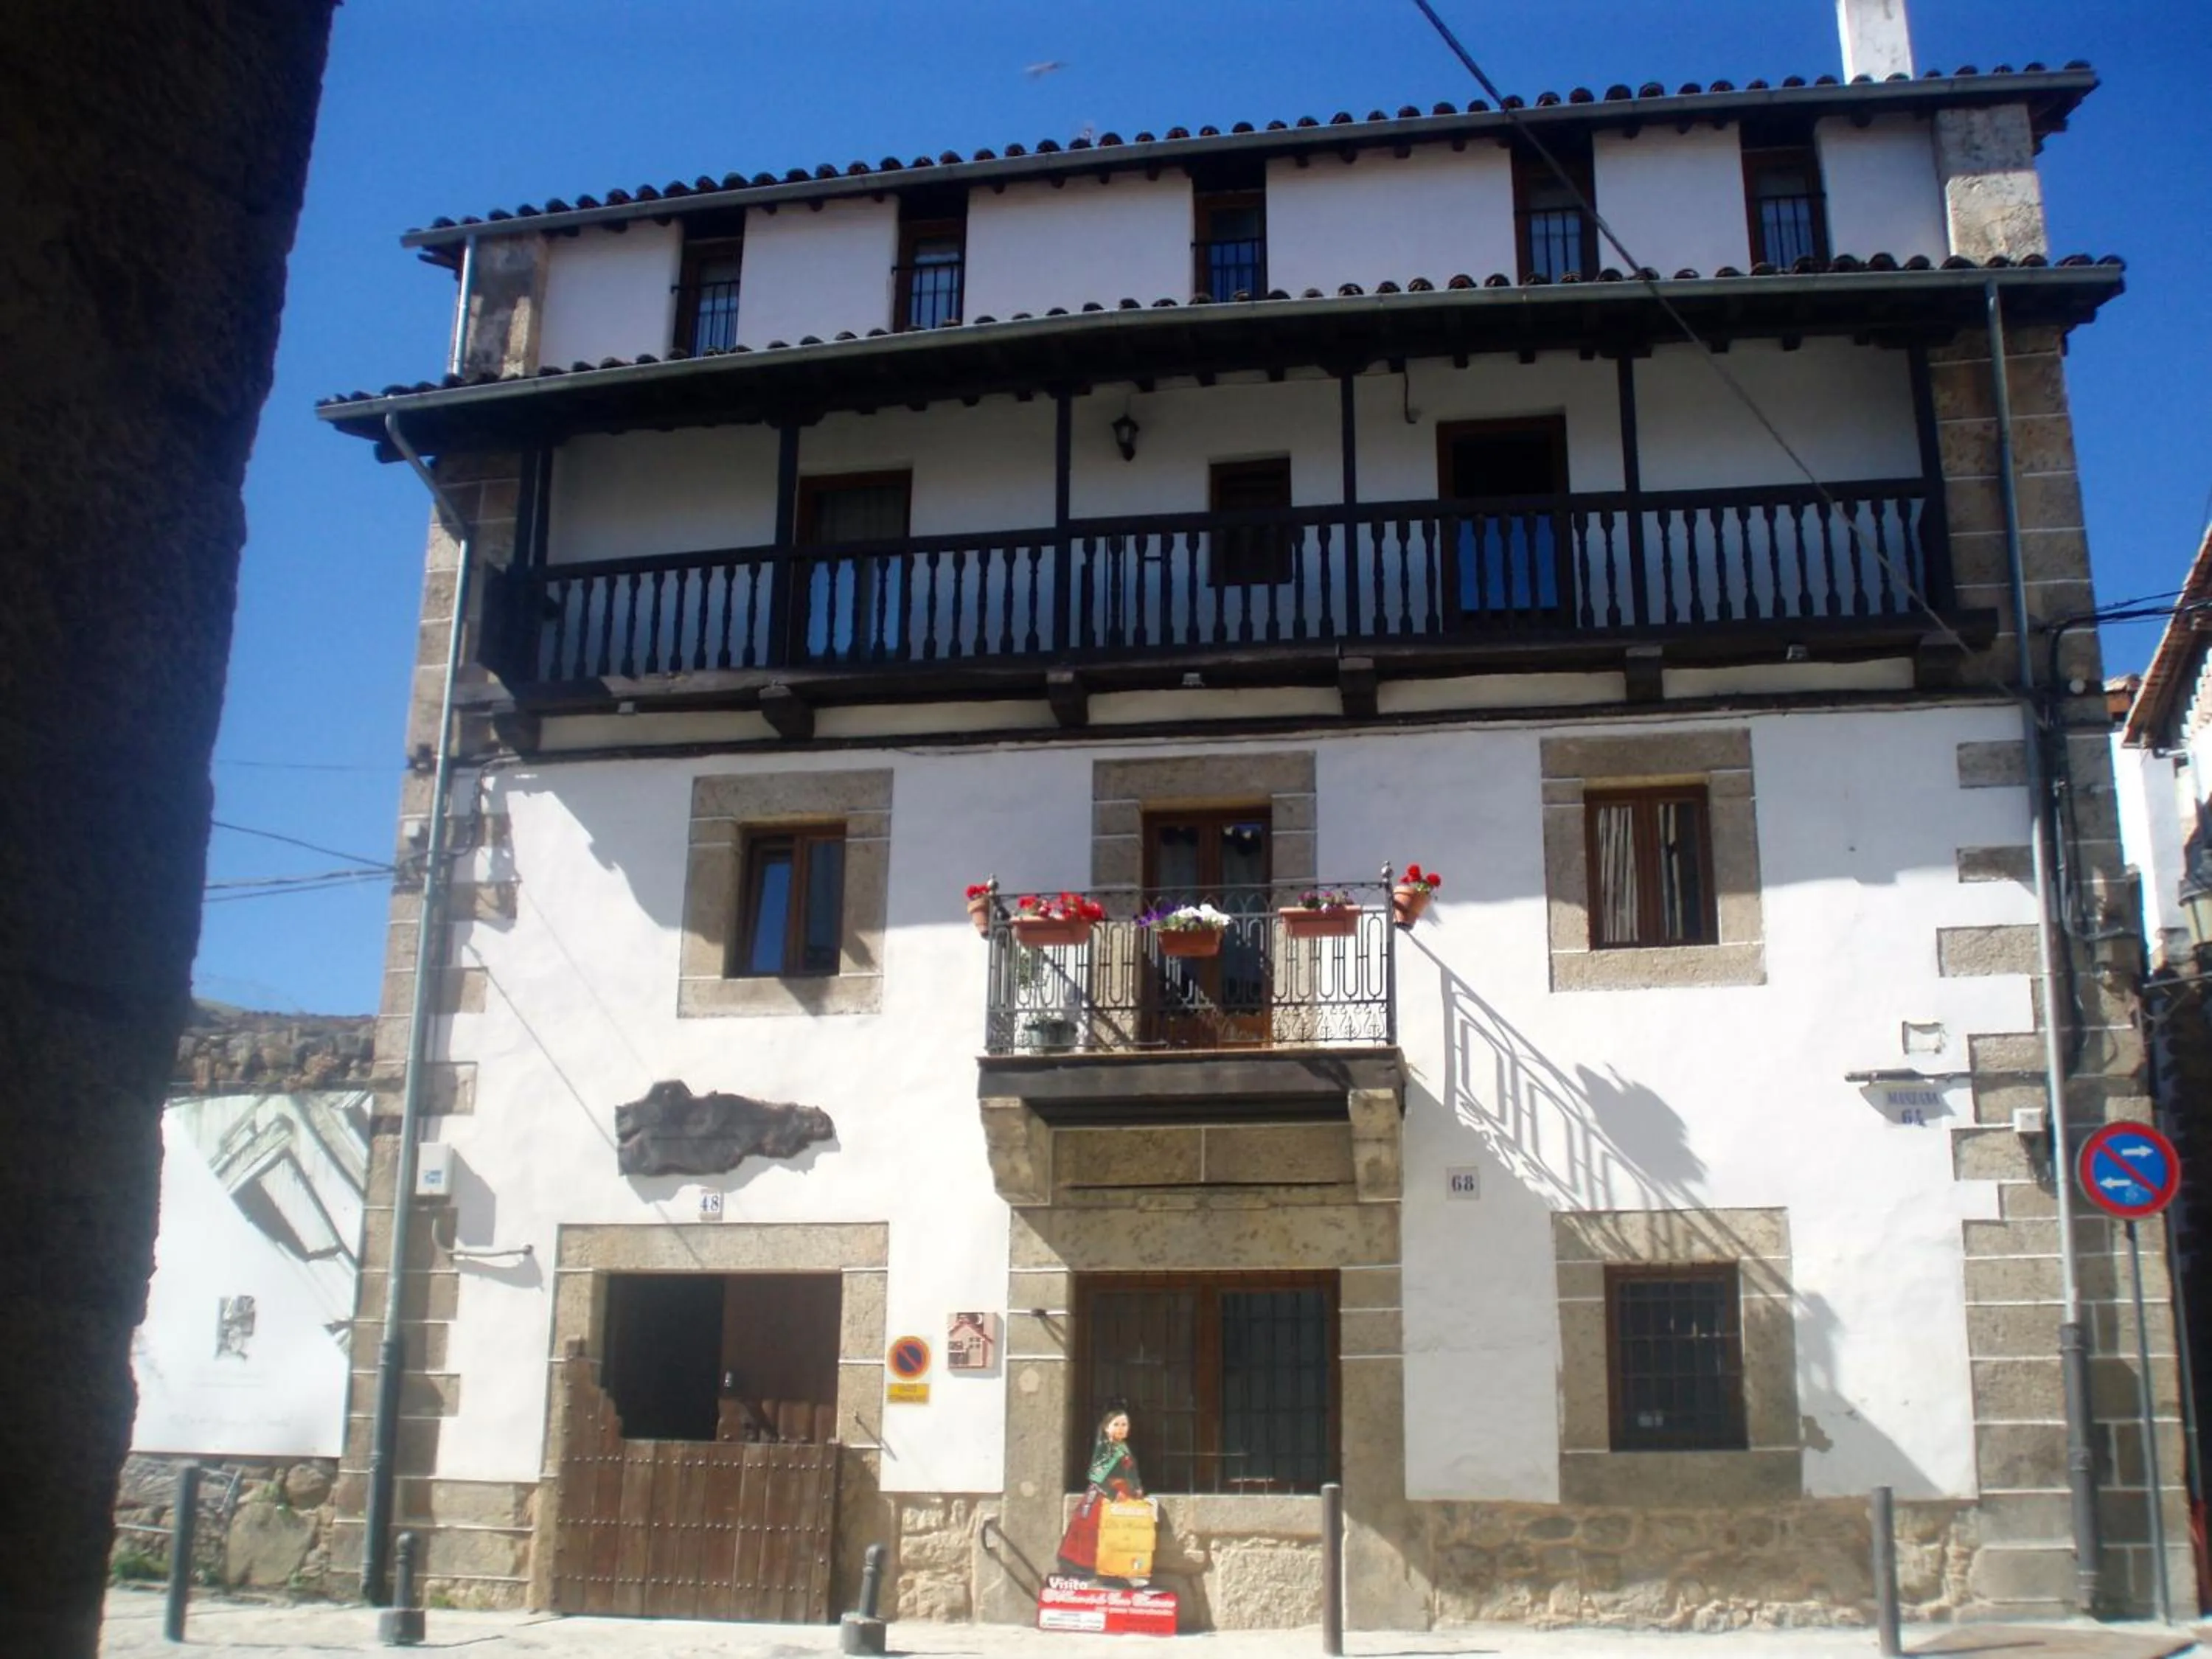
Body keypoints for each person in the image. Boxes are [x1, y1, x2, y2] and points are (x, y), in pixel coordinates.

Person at [1054, 1402, 1145, 1580]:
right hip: (1104, 1494)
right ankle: (1083, 1565)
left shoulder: (1124, 1449)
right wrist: (1112, 1493)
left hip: (1123, 1493)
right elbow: (1096, 1476)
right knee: (1092, 1527)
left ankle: (1113, 1566)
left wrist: (1136, 1488)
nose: (1121, 1429)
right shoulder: (1105, 1450)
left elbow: (1131, 1472)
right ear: (1106, 1428)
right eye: (1116, 1425)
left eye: (1124, 1425)